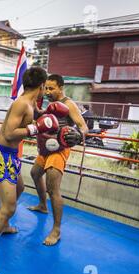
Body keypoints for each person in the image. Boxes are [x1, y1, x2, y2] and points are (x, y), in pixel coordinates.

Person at [0, 66, 50, 274]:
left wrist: (51, 116)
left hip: (10, 156)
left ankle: (5, 225)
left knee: (20, 187)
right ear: (41, 86)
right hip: (2, 155)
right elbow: (9, 133)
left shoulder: (30, 103)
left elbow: (38, 116)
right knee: (7, 207)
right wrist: (35, 128)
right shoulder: (21, 103)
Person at [28, 74, 89, 246]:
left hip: (59, 150)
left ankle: (56, 230)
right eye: (46, 88)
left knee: (52, 188)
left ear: (60, 88)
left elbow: (84, 126)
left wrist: (78, 134)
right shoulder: (49, 104)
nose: (47, 91)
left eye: (51, 88)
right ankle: (42, 205)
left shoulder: (69, 104)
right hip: (46, 147)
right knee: (34, 173)